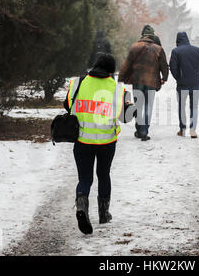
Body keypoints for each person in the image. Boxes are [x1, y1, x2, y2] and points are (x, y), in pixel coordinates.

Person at [64, 53, 133, 235]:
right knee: (104, 174)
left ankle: (81, 203)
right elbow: (126, 117)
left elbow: (67, 105)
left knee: (84, 178)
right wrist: (130, 103)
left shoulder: (78, 83)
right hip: (106, 141)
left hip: (82, 141)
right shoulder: (117, 89)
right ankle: (104, 213)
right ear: (111, 71)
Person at [118, 25, 169, 141]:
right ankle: (144, 131)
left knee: (138, 106)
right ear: (152, 36)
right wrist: (164, 78)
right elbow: (164, 66)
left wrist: (120, 78)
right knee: (148, 107)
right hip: (151, 82)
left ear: (142, 35)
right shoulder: (158, 49)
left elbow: (126, 64)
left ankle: (139, 129)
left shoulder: (134, 47)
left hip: (137, 82)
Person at [169, 32, 199, 139]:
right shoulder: (197, 50)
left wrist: (178, 78)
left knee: (182, 107)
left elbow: (173, 67)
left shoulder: (176, 51)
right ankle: (193, 130)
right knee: (194, 107)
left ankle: (183, 129)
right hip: (195, 84)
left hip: (182, 85)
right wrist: (195, 73)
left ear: (177, 40)